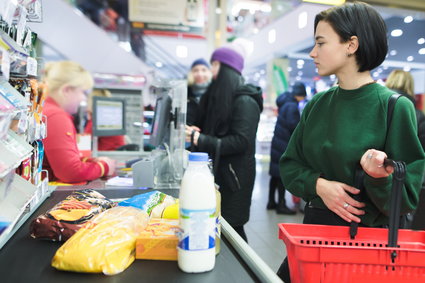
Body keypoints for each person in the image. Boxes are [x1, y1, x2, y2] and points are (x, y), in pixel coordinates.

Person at [276, 2, 425, 282]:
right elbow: (290, 165)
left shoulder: (394, 107)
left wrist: (378, 177)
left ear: (351, 44)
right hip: (313, 239)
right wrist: (320, 185)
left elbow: (405, 200)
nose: (312, 52)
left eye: (321, 42)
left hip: (363, 251)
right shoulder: (318, 104)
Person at [185, 46, 263, 242]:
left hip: (235, 180)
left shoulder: (245, 101)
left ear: (226, 68)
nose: (211, 71)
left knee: (233, 230)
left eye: (214, 65)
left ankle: (242, 272)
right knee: (222, 227)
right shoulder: (222, 99)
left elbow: (241, 142)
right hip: (222, 175)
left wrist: (199, 139)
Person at [42, 61, 116, 183]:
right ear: (66, 90)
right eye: (82, 92)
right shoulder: (56, 116)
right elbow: (70, 172)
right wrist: (104, 167)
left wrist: (91, 162)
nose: (83, 99)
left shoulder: (47, 110)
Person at [268, 82, 307, 214]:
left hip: (277, 142)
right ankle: (281, 205)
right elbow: (294, 126)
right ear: (300, 95)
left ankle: (271, 202)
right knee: (280, 175)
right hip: (284, 144)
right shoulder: (292, 106)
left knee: (274, 175)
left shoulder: (285, 102)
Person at [385, 70, 425, 149]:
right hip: (408, 160)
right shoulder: (417, 114)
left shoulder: (377, 108)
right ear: (410, 86)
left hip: (377, 160)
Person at [186, 58, 211, 125]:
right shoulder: (185, 93)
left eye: (204, 70)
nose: (200, 74)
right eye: (195, 70)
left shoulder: (215, 93)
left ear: (209, 72)